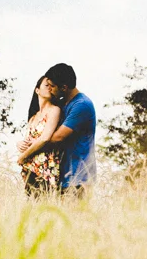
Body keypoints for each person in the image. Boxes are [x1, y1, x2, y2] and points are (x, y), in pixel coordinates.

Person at [18, 63, 96, 196]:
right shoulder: (63, 103)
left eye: (52, 86)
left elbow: (57, 137)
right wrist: (23, 143)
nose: (50, 90)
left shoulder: (81, 105)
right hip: (62, 175)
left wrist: (30, 148)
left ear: (64, 87)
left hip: (79, 176)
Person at [17, 75, 63, 195]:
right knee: (32, 207)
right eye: (46, 85)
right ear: (37, 90)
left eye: (52, 86)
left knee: (45, 204)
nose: (49, 88)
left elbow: (45, 138)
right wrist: (19, 144)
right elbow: (28, 140)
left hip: (45, 167)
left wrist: (23, 157)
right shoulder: (33, 117)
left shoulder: (54, 110)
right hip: (30, 167)